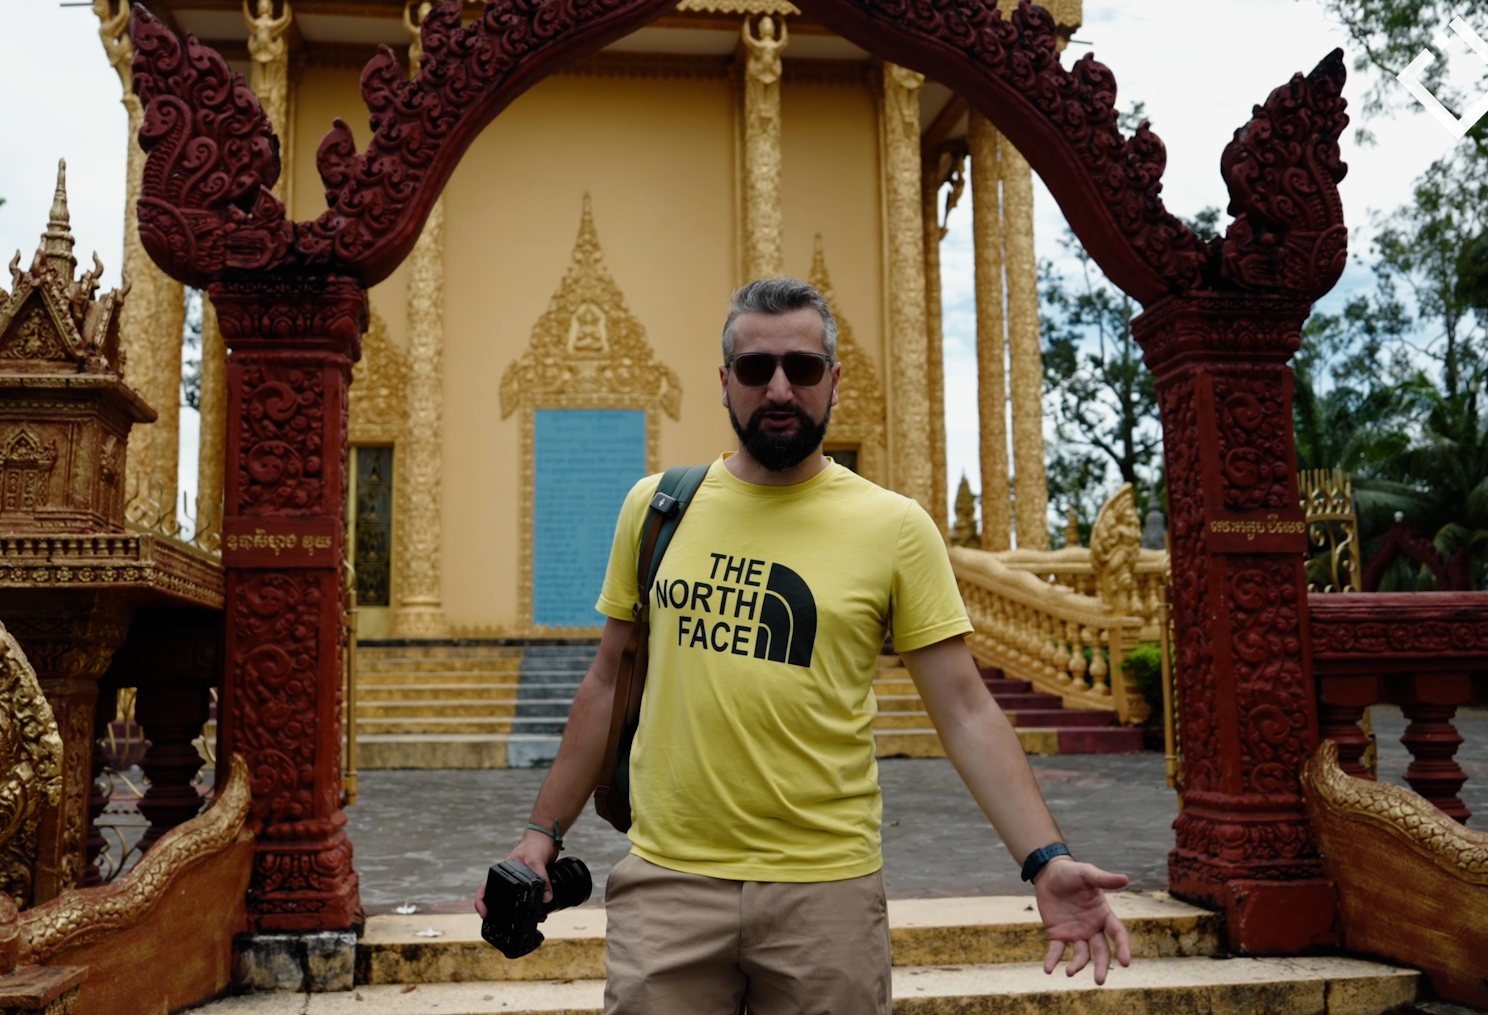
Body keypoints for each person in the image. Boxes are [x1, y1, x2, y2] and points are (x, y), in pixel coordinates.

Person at [476, 277, 1132, 1013]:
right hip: (669, 883)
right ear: (725, 381)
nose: (780, 388)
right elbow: (606, 682)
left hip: (827, 891)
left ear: (834, 380)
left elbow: (965, 710)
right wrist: (540, 837)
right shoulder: (657, 509)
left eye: (804, 367)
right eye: (756, 368)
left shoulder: (893, 527)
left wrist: (1045, 860)